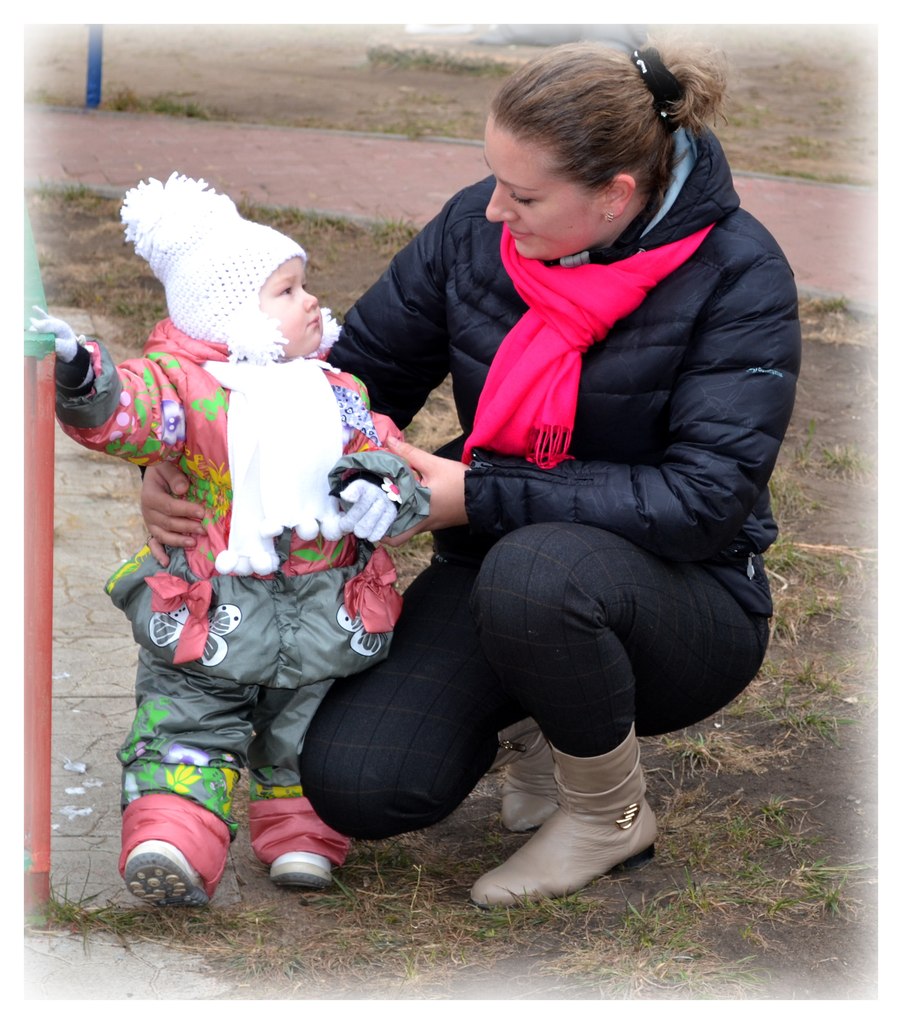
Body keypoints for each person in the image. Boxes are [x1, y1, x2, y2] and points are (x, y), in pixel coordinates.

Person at [141, 40, 801, 908]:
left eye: (523, 196)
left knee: (539, 569)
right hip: (501, 569)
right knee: (356, 782)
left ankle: (607, 812)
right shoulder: (472, 232)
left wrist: (476, 495)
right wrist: (196, 462)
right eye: (493, 178)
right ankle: (542, 721)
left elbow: (704, 502)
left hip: (685, 600)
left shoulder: (739, 275)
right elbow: (351, 383)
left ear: (615, 195)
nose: (492, 209)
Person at [33, 172, 428, 907]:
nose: (310, 301)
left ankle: (302, 832)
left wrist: (385, 489)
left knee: (307, 726)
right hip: (210, 614)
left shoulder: (336, 391)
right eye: (286, 290)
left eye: (304, 285)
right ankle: (171, 838)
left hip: (320, 613)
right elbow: (128, 413)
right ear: (234, 317)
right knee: (187, 723)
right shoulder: (188, 391)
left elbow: (382, 450)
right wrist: (84, 374)